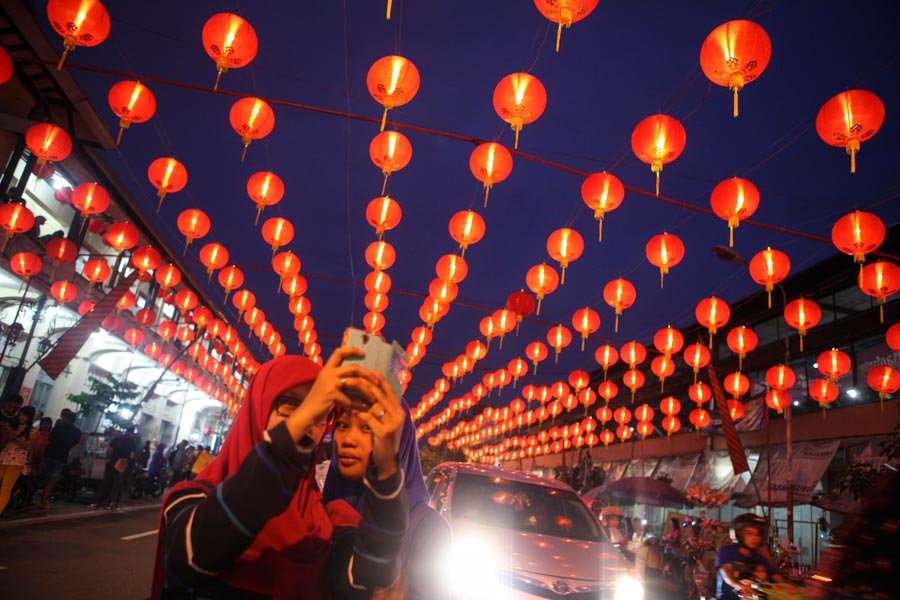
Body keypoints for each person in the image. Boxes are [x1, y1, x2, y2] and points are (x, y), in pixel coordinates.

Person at [151, 349, 409, 599]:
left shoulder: (326, 523)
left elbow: (364, 578)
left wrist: (386, 468)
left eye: (322, 412)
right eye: (291, 404)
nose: (309, 421)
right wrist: (305, 417)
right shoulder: (192, 498)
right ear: (258, 406)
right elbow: (194, 554)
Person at [323, 399, 452, 599]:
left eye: (368, 428)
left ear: (397, 440)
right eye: (343, 425)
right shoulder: (317, 507)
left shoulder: (426, 527)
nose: (349, 439)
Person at [715, 513, 783, 600]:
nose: (754, 538)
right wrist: (741, 587)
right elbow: (727, 574)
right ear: (738, 534)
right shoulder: (727, 551)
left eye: (757, 534)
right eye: (749, 533)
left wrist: (796, 589)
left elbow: (778, 579)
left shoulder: (760, 558)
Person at [37, 408, 81, 509]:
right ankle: (43, 501)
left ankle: (29, 497)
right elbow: (73, 444)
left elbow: (50, 439)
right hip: (61, 457)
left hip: (49, 454)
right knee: (51, 481)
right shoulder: (77, 432)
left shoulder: (58, 428)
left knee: (40, 477)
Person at [0, 406, 35, 514]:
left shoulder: (33, 430)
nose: (21, 417)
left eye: (24, 415)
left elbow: (26, 446)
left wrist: (12, 434)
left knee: (6, 487)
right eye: (20, 414)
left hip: (16, 461)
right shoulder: (14, 425)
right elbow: (6, 439)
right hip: (4, 457)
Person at [93, 428, 137, 510]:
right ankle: (110, 503)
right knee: (117, 484)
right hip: (123, 463)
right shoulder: (132, 442)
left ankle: (97, 501)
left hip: (113, 461)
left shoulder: (118, 438)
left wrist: (108, 456)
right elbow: (131, 455)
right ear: (131, 433)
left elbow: (109, 449)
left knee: (107, 481)